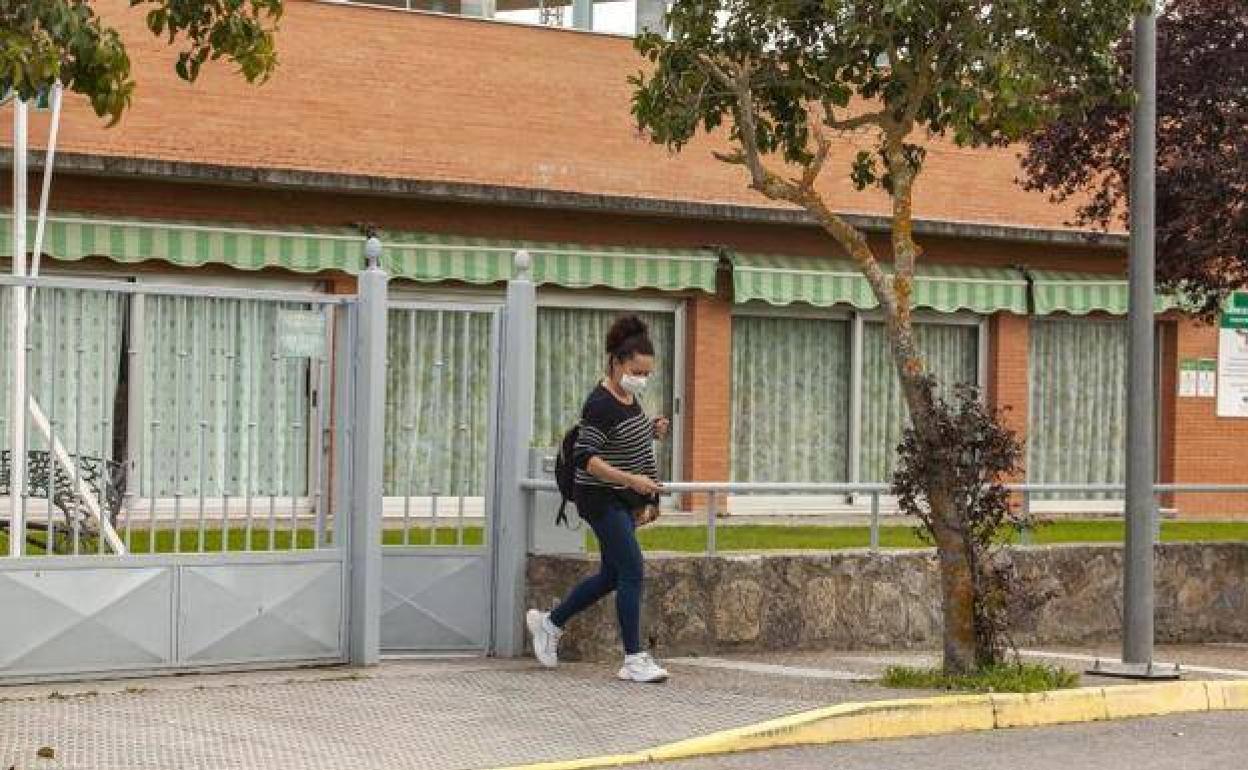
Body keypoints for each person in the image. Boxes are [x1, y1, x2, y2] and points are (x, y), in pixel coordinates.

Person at [526, 314, 671, 683]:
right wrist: (633, 482)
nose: (642, 378)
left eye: (647, 373)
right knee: (633, 569)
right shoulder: (600, 403)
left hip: (621, 499)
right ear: (617, 362)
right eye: (637, 370)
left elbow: (622, 441)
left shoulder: (628, 398)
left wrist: (651, 432)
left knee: (612, 575)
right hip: (599, 498)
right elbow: (587, 459)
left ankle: (550, 623)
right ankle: (634, 658)